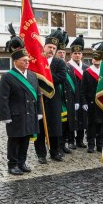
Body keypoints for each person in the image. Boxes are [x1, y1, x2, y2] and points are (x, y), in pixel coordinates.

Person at [0, 24, 41, 175]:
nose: (27, 62)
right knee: (15, 140)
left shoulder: (32, 76)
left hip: (30, 113)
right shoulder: (8, 77)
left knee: (25, 140)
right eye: (24, 60)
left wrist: (39, 112)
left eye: (27, 60)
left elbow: (38, 95)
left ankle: (22, 162)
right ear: (15, 61)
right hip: (15, 115)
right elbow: (3, 98)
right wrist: (5, 116)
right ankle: (12, 165)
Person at [34, 29, 67, 164]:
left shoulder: (59, 62)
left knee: (54, 127)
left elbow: (61, 77)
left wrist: (45, 78)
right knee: (40, 128)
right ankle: (41, 154)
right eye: (50, 47)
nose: (52, 50)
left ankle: (55, 152)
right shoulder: (37, 61)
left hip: (53, 100)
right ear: (44, 47)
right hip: (39, 100)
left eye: (54, 48)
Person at [80, 40, 103, 153]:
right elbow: (82, 90)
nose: (97, 61)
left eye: (99, 59)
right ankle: (91, 144)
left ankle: (100, 144)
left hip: (102, 102)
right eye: (95, 58)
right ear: (92, 60)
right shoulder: (87, 72)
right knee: (91, 125)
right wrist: (84, 102)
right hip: (91, 103)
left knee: (102, 125)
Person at [55, 31, 77, 155]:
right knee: (58, 125)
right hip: (59, 100)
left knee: (66, 125)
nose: (62, 54)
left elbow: (74, 85)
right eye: (60, 52)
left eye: (63, 52)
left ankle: (63, 145)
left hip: (68, 100)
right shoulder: (53, 65)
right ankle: (57, 147)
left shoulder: (69, 67)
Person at [68, 35, 89, 149]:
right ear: (71, 54)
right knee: (72, 118)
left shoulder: (86, 67)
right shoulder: (67, 66)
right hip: (71, 97)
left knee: (82, 118)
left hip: (82, 97)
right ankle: (71, 140)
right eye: (75, 53)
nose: (77, 55)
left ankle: (80, 140)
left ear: (82, 55)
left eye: (79, 53)